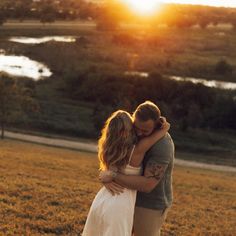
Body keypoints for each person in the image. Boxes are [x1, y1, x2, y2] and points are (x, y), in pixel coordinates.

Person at [82, 109, 170, 236]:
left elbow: (107, 172)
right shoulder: (137, 150)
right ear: (129, 130)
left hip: (102, 200)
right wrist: (164, 127)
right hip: (120, 202)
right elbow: (161, 132)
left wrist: (108, 178)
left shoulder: (107, 148)